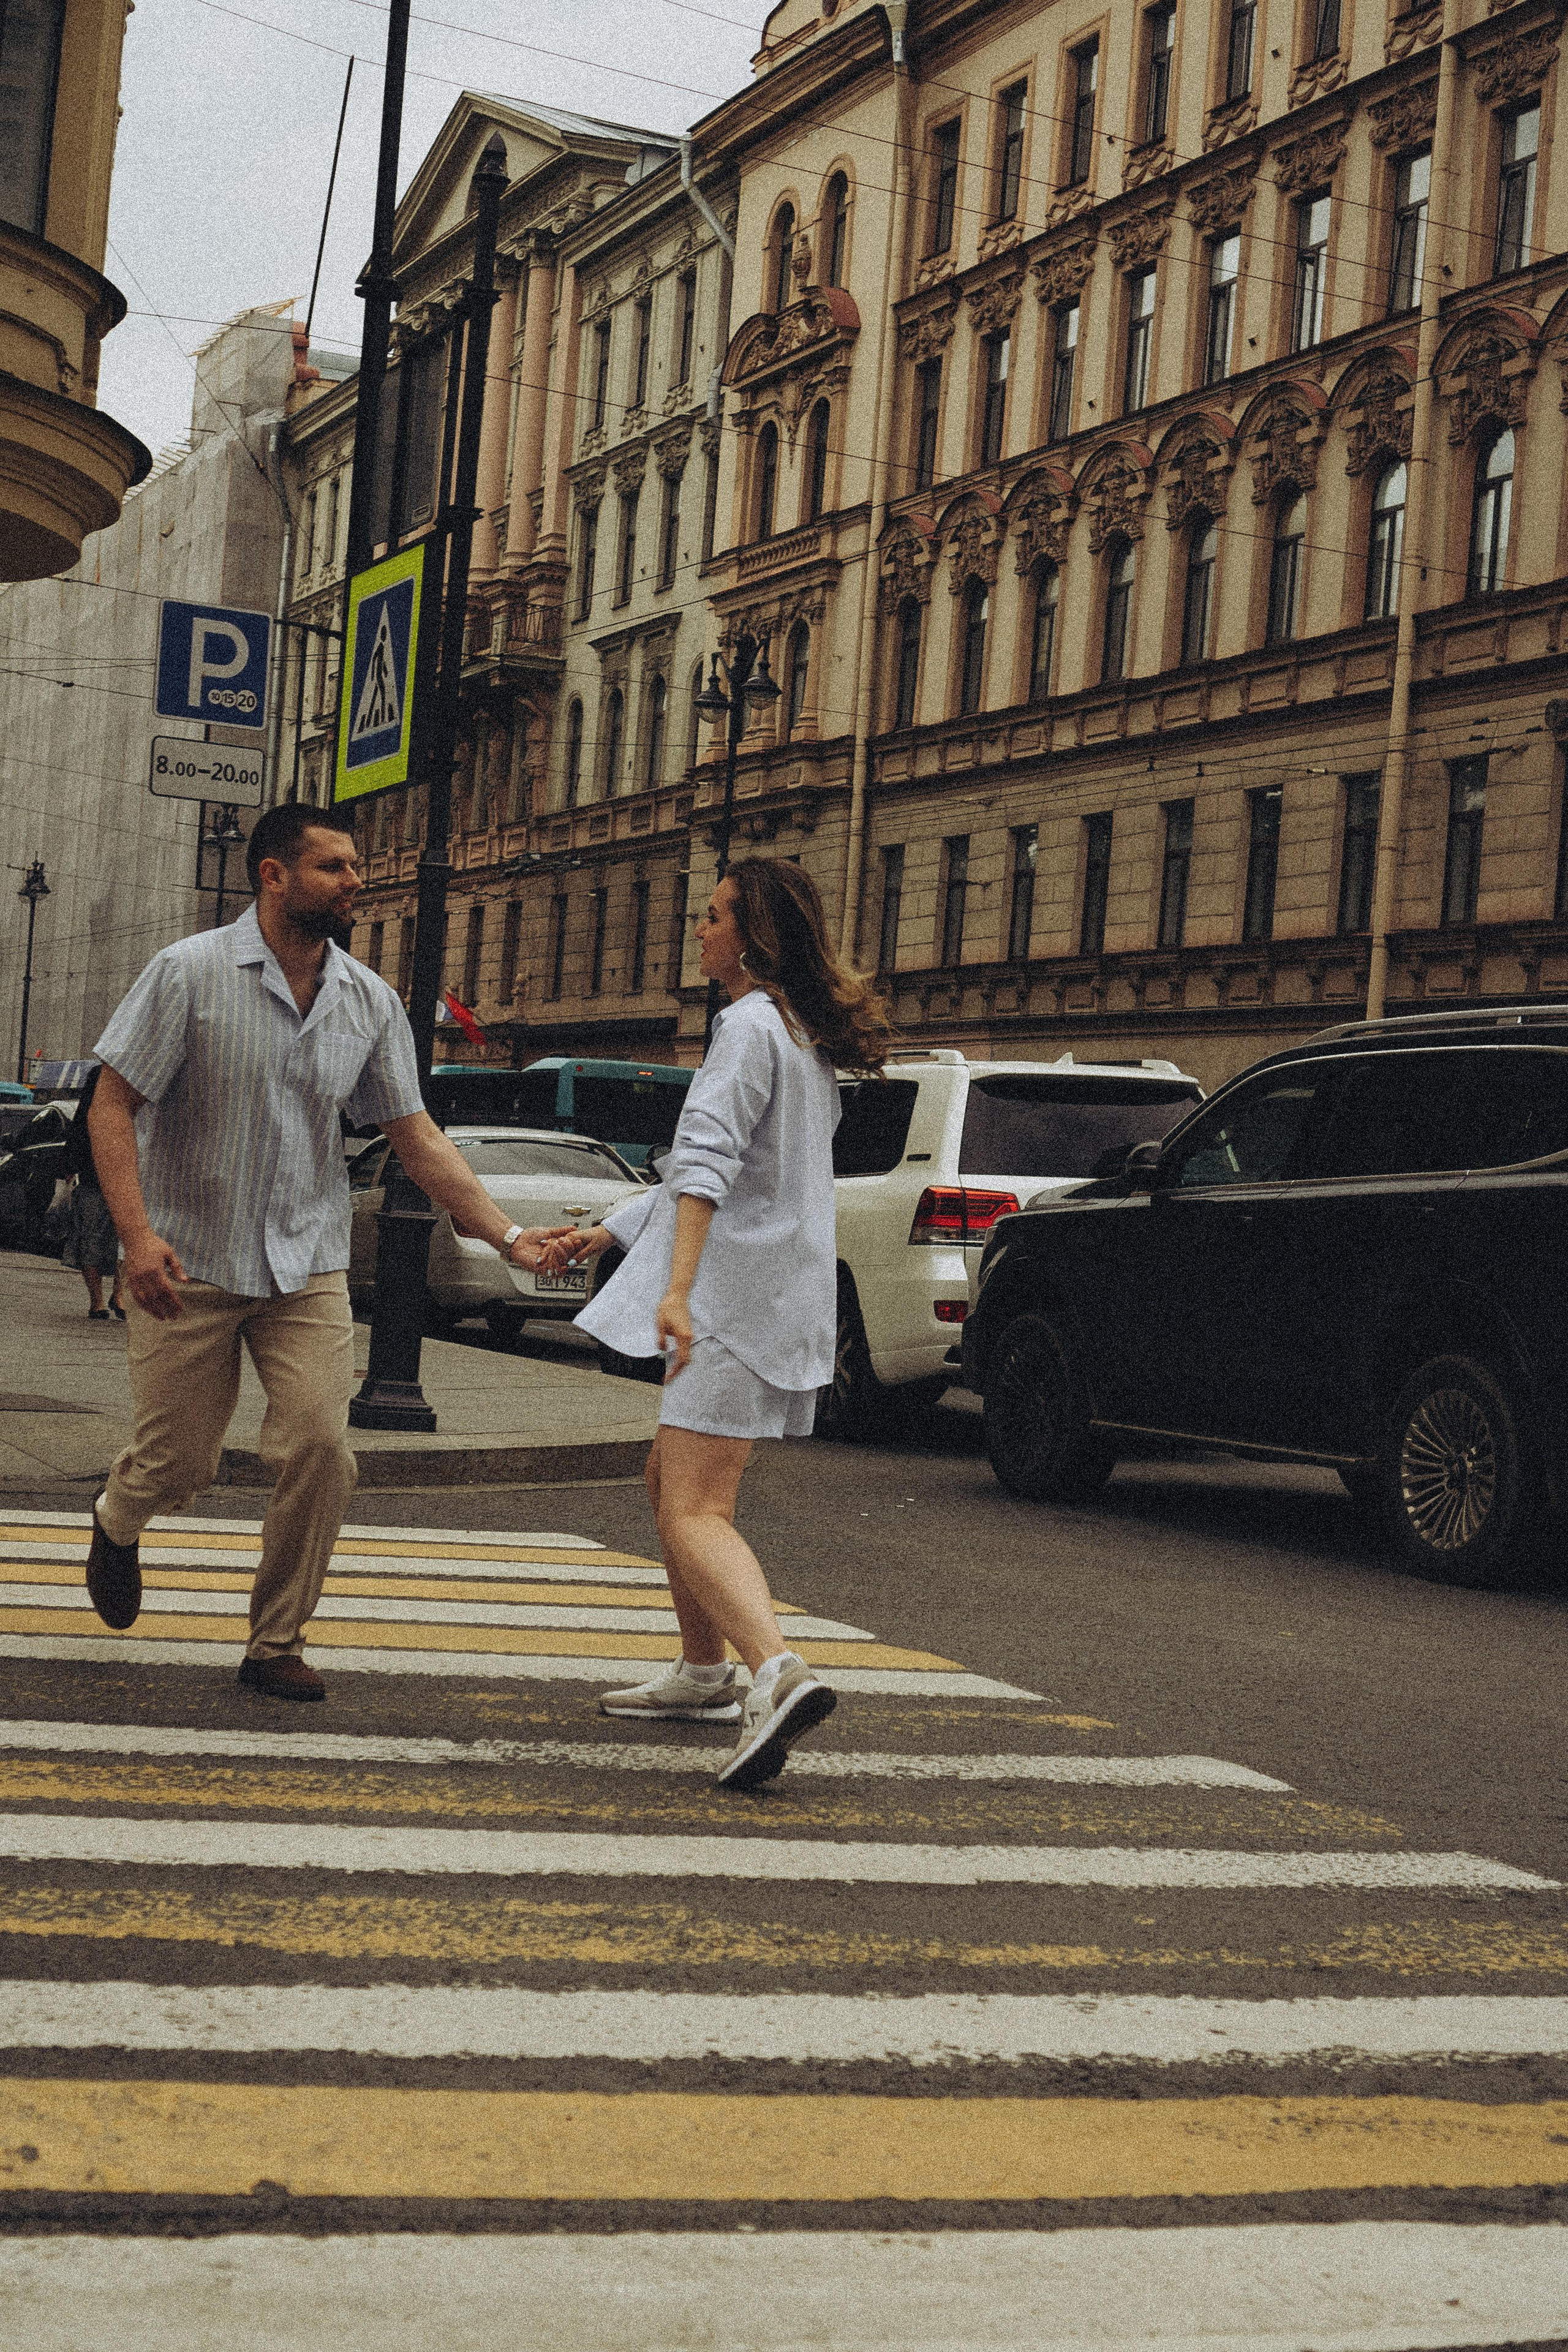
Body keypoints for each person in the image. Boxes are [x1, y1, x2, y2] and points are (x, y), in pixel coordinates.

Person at [85, 802, 570, 1701]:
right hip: (186, 1263)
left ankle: (275, 1641)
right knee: (180, 1462)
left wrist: (503, 1232)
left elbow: (414, 1134)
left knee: (320, 1446)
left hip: (305, 1262)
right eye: (334, 868)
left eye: (355, 867)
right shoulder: (186, 974)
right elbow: (111, 1106)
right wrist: (137, 1236)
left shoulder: (368, 1000)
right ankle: (118, 1520)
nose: (357, 882)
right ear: (274, 875)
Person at [560, 856, 892, 1790]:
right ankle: (703, 1669)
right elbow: (725, 1175)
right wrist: (606, 1231)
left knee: (696, 1505)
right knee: (667, 1472)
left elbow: (705, 1167)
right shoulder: (795, 1034)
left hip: (730, 1304)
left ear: (752, 937)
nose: (698, 932)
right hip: (767, 1294)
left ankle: (774, 1671)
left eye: (712, 918)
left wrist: (676, 1292)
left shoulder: (747, 1028)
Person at [59, 1067, 125, 1321]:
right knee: (91, 1239)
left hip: (127, 1180)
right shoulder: (97, 1082)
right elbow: (78, 1131)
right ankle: (97, 1301)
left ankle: (118, 1296)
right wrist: (70, 1166)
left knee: (125, 1239)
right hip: (93, 1179)